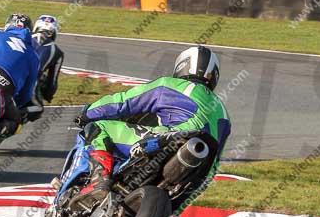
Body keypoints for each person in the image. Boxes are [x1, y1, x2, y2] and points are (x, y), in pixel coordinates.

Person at [70, 45, 231, 205]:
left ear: (182, 66)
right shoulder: (223, 113)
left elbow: (123, 102)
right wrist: (174, 212)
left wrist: (87, 113)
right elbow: (213, 166)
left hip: (168, 139)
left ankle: (99, 179)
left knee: (99, 128)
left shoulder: (170, 85)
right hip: (199, 170)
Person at [25, 14, 65, 122]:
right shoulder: (57, 52)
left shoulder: (23, 36)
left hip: (5, 71)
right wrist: (48, 95)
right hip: (28, 83)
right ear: (54, 32)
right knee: (38, 108)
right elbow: (52, 83)